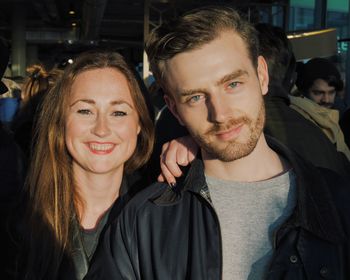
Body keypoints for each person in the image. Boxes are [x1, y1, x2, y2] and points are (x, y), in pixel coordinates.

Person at [85, 6, 350, 279]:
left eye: (232, 84)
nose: (221, 114)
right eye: (195, 98)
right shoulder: (143, 220)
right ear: (174, 109)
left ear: (261, 75)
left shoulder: (339, 202)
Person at [13, 50, 155, 280]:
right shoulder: (16, 221)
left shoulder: (164, 217)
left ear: (139, 124)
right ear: (61, 121)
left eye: (118, 112)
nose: (101, 129)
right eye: (85, 110)